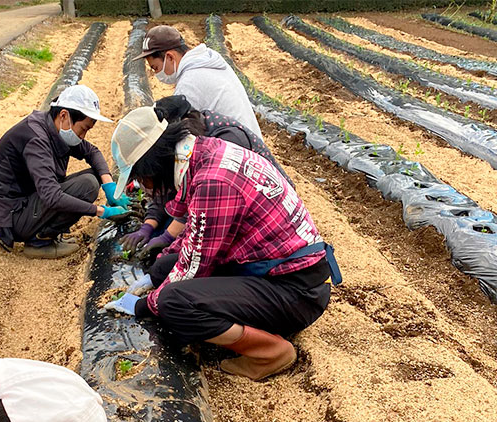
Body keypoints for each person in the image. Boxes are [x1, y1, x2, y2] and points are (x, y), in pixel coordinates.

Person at [107, 107, 341, 381]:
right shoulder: (204, 153)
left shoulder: (213, 181)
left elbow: (194, 269)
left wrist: (143, 306)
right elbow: (195, 231)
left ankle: (270, 352)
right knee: (165, 267)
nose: (145, 187)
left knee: (173, 302)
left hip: (296, 292)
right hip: (274, 272)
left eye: (140, 179)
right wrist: (154, 272)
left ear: (152, 166)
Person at [120, 95, 295, 256]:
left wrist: (168, 239)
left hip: (264, 218)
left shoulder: (224, 139)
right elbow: (167, 191)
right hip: (219, 208)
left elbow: (210, 204)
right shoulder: (181, 157)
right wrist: (147, 227)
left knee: (178, 250)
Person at [0, 84, 130, 259]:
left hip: (29, 201)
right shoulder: (36, 139)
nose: (83, 136)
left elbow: (92, 152)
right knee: (88, 185)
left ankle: (45, 232)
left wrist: (109, 185)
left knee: (95, 176)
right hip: (13, 217)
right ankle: (39, 241)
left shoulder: (55, 127)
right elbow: (51, 196)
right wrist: (101, 211)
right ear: (64, 115)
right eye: (83, 129)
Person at [135, 25, 263, 140]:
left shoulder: (190, 82)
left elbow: (179, 133)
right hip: (253, 145)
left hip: (238, 153)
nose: (157, 74)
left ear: (170, 57)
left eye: (155, 68)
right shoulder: (208, 60)